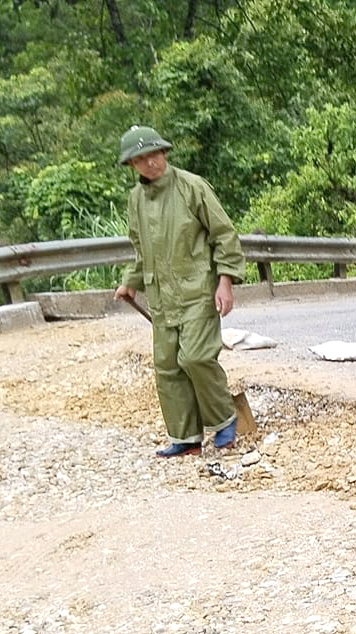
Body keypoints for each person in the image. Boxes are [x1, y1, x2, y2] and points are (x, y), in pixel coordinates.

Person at [113, 125, 246, 457]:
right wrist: (131, 281)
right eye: (140, 159)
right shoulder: (136, 200)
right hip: (162, 297)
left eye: (153, 155)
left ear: (164, 153)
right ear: (132, 166)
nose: (149, 164)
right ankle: (186, 438)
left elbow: (224, 234)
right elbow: (141, 249)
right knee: (169, 366)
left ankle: (225, 420)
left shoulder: (191, 186)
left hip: (198, 290)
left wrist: (225, 281)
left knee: (196, 357)